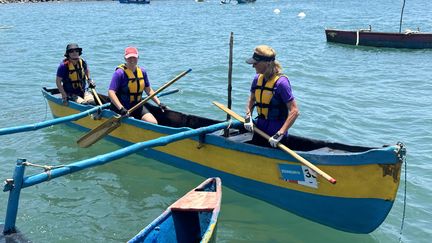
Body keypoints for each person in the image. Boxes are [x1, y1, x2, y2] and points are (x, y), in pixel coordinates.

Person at [244, 45, 299, 148]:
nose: (253, 66)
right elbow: (251, 99)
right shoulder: (257, 79)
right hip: (259, 129)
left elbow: (294, 111)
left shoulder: (281, 83)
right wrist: (248, 116)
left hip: (276, 134)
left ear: (267, 63)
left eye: (256, 63)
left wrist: (280, 133)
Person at [108, 46, 167, 124]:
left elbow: (148, 90)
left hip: (137, 106)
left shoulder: (142, 72)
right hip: (121, 108)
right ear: (125, 58)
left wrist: (159, 103)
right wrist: (121, 108)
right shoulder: (119, 73)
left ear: (138, 58)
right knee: (131, 121)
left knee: (153, 122)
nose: (132, 60)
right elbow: (111, 92)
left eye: (134, 57)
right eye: (129, 58)